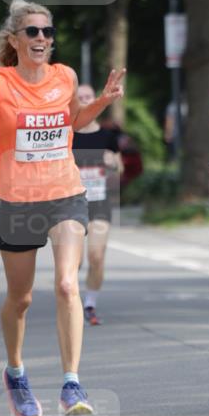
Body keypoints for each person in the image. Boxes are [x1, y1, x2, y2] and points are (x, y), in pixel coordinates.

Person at [0, 0, 125, 416]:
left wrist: (102, 102)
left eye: (48, 32)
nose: (42, 39)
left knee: (67, 286)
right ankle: (16, 373)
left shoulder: (65, 76)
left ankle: (72, 383)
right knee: (20, 299)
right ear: (15, 39)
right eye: (33, 32)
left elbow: (72, 122)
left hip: (65, 194)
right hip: (18, 201)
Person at [72, 85, 124, 326]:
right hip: (71, 204)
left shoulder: (107, 136)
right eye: (79, 98)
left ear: (95, 101)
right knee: (75, 260)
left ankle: (90, 304)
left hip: (100, 203)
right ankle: (70, 300)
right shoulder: (67, 134)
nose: (84, 101)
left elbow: (119, 167)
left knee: (96, 256)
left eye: (88, 97)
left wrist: (112, 162)